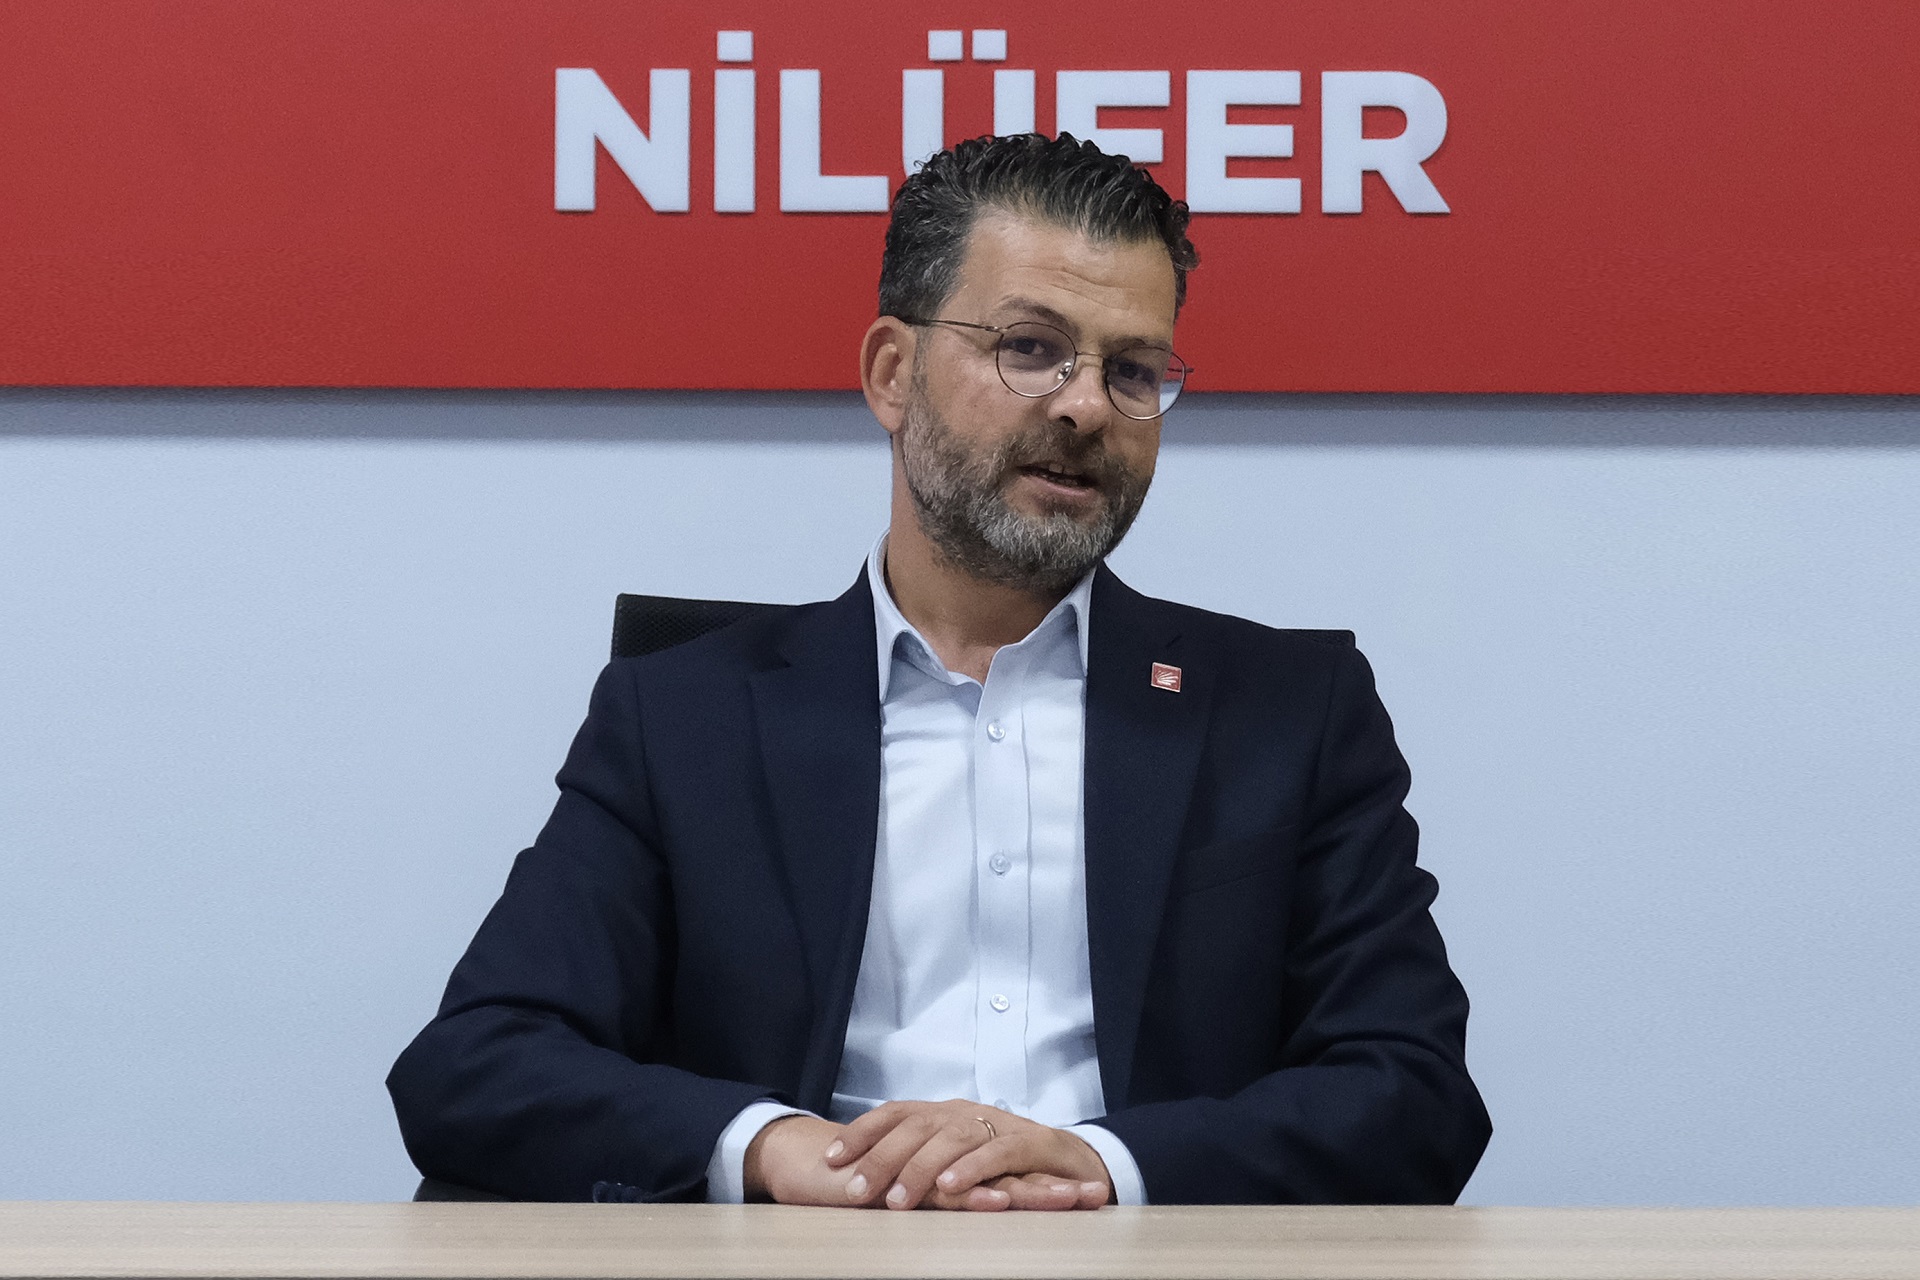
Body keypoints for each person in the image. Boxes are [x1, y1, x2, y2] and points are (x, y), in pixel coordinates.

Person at [388, 132, 1491, 1208]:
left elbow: (1414, 1092)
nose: (1085, 405)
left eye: (1132, 369)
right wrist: (770, 1146)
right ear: (892, 373)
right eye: (1031, 348)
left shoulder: (1287, 713)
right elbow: (477, 1063)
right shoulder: (685, 717)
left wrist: (1108, 1163)